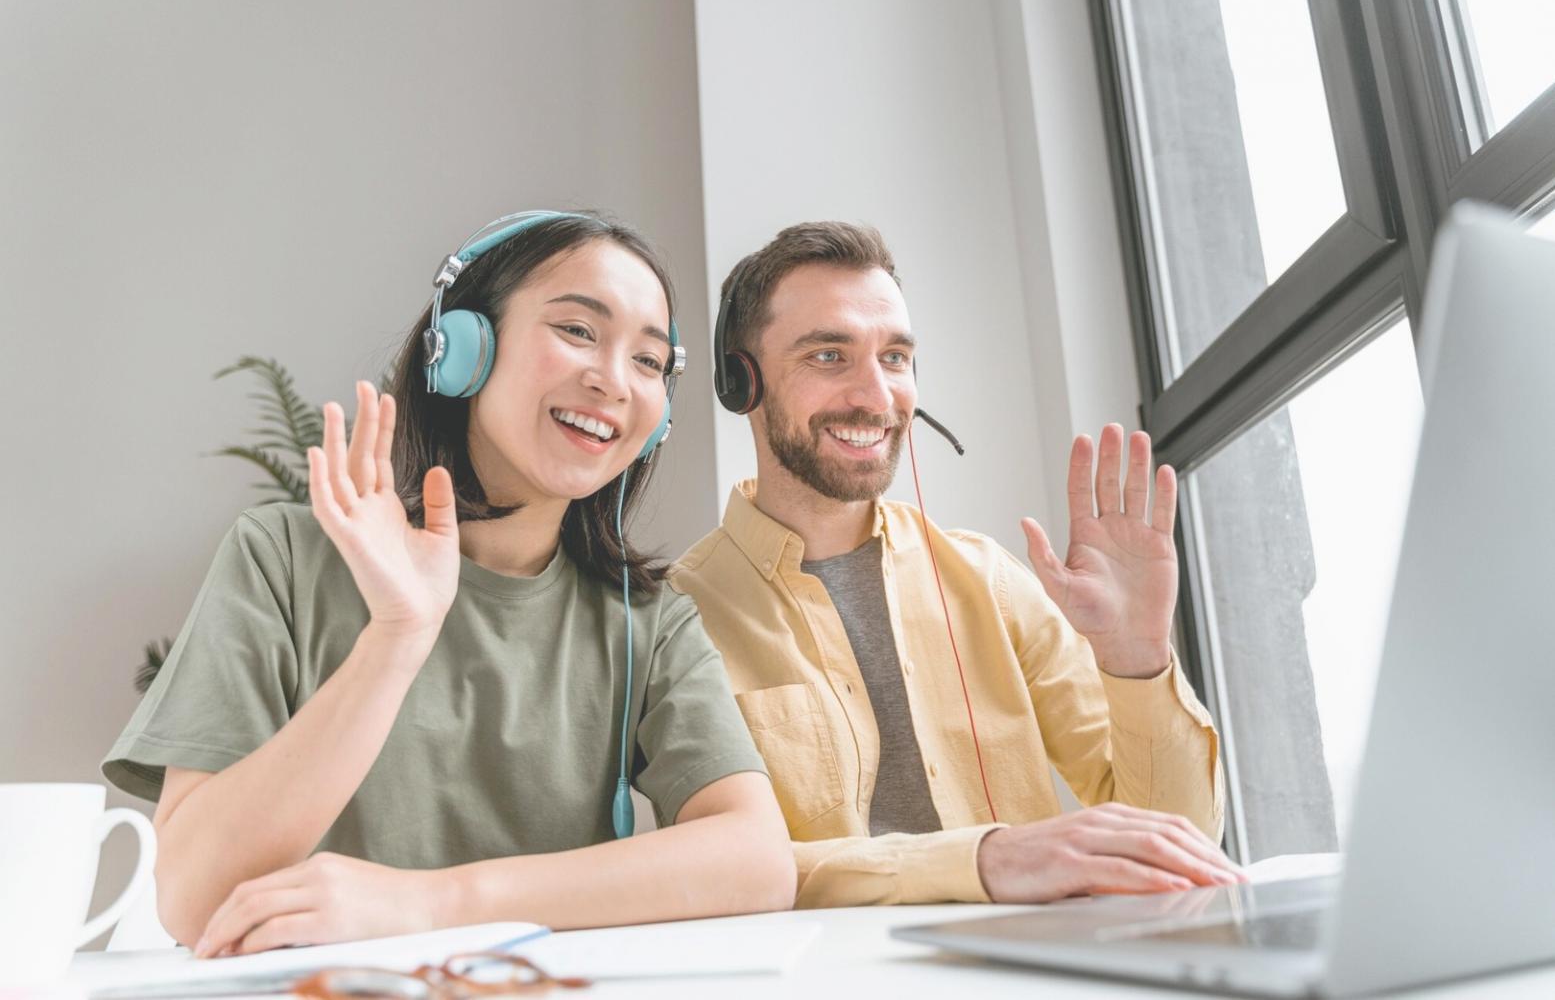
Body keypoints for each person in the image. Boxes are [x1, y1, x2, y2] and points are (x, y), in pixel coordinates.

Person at [103, 211, 795, 956]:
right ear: (461, 349)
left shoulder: (648, 620)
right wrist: (397, 637)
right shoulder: (282, 559)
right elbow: (192, 897)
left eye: (649, 361)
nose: (612, 380)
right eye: (577, 330)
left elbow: (756, 858)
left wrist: (436, 901)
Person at [668, 221, 1242, 908]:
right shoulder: (677, 618)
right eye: (828, 355)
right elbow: (726, 870)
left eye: (895, 357)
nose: (876, 396)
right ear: (741, 380)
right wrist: (980, 860)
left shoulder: (987, 581)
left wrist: (1135, 657)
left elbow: (1177, 843)